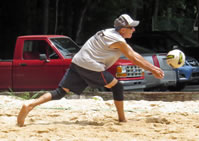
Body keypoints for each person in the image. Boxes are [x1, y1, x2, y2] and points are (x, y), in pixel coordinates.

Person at [17, 14, 164, 127]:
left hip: (77, 62)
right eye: (132, 27)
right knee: (117, 86)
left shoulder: (107, 32)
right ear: (123, 29)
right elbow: (133, 58)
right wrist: (153, 70)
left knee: (61, 91)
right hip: (91, 66)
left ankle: (30, 105)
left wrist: (152, 67)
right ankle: (122, 119)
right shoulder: (118, 40)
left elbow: (133, 54)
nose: (134, 29)